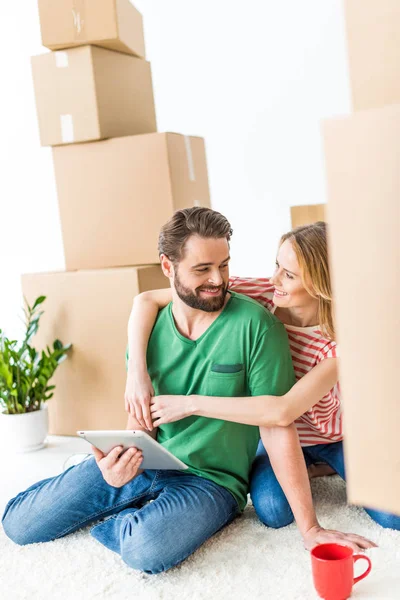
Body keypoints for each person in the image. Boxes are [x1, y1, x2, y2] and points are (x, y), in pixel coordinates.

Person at [3, 207, 357, 575]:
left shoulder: (259, 325)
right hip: (148, 460)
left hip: (211, 479)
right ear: (168, 268)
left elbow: (277, 418)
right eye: (203, 269)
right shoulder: (149, 325)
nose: (219, 280)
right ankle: (127, 496)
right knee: (20, 525)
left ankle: (135, 515)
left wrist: (310, 527)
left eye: (223, 265)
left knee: (146, 550)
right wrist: (117, 464)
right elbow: (139, 415)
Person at [125, 220, 400, 534]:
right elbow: (145, 300)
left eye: (289, 275)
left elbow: (282, 410)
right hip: (279, 440)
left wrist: (189, 404)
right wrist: (137, 373)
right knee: (273, 510)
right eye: (277, 266)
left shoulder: (341, 341)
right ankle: (313, 468)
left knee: (394, 517)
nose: (274, 279)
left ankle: (332, 464)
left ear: (322, 284)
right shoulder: (261, 293)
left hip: (338, 438)